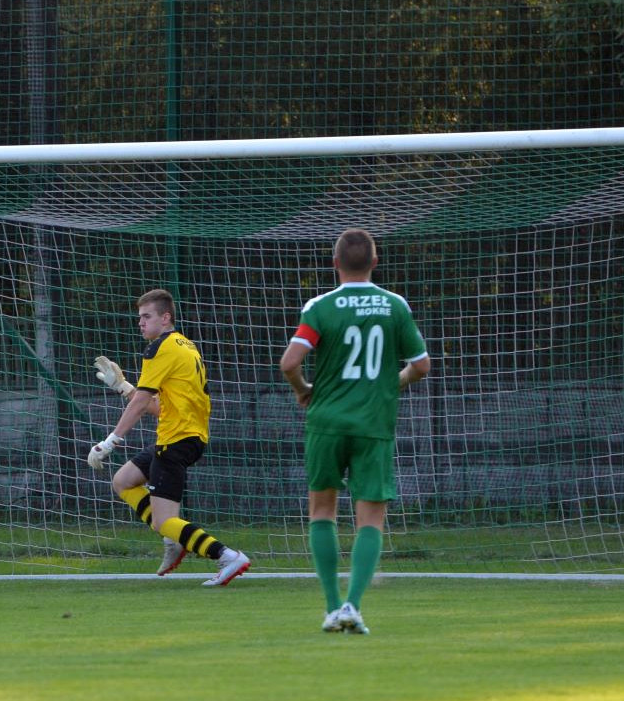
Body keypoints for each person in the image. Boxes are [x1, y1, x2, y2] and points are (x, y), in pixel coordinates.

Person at [279, 228, 431, 634]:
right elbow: (420, 365)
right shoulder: (394, 305)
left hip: (326, 423)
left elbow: (290, 362)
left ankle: (332, 607)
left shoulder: (320, 306)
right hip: (373, 424)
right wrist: (391, 383)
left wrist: (303, 390)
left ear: (335, 264)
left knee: (321, 511)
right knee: (370, 519)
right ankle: (353, 606)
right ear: (375, 263)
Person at [88, 288, 250, 586]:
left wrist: (109, 442)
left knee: (164, 520)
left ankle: (227, 556)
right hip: (186, 437)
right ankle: (174, 539)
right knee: (123, 481)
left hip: (176, 441)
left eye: (147, 316)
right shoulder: (185, 345)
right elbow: (160, 407)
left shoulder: (159, 349)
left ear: (165, 318)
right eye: (139, 317)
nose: (141, 322)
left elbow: (141, 404)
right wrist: (123, 387)